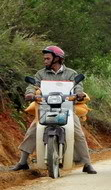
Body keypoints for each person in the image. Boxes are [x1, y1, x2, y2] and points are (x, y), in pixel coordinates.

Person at [10, 46, 97, 174]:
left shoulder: (71, 73)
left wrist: (79, 94)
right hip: (45, 108)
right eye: (44, 59)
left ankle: (87, 163)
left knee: (78, 133)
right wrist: (29, 93)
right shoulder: (41, 73)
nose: (45, 61)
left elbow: (78, 86)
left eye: (47, 58)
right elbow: (32, 85)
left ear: (57, 59)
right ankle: (22, 162)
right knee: (32, 131)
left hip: (67, 110)